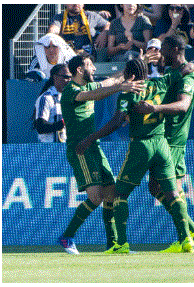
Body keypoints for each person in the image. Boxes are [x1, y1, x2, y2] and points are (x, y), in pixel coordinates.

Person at [75, 56, 194, 254]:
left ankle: (121, 244)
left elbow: (115, 123)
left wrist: (91, 138)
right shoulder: (162, 82)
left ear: (130, 75)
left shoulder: (130, 93)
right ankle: (186, 240)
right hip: (162, 146)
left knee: (119, 194)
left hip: (141, 146)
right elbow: (185, 70)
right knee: (173, 193)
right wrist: (191, 65)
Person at [58, 54, 144, 254]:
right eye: (90, 65)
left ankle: (113, 244)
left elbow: (110, 80)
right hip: (80, 148)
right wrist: (119, 88)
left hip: (93, 146)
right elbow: (98, 94)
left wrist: (138, 64)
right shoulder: (71, 90)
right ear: (79, 70)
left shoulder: (87, 85)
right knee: (96, 197)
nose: (95, 69)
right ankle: (67, 237)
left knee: (111, 194)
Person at [135, 35, 194, 253]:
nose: (160, 52)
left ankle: (185, 237)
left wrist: (154, 109)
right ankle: (193, 230)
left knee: (172, 190)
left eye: (163, 48)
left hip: (174, 140)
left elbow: (183, 105)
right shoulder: (172, 72)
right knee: (155, 187)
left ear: (175, 49)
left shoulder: (188, 77)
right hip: (163, 138)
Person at [33, 64, 71, 142]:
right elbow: (41, 127)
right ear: (55, 77)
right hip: (49, 150)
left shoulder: (67, 97)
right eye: (66, 77)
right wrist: (64, 122)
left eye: (71, 77)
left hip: (64, 148)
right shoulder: (46, 98)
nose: (69, 80)